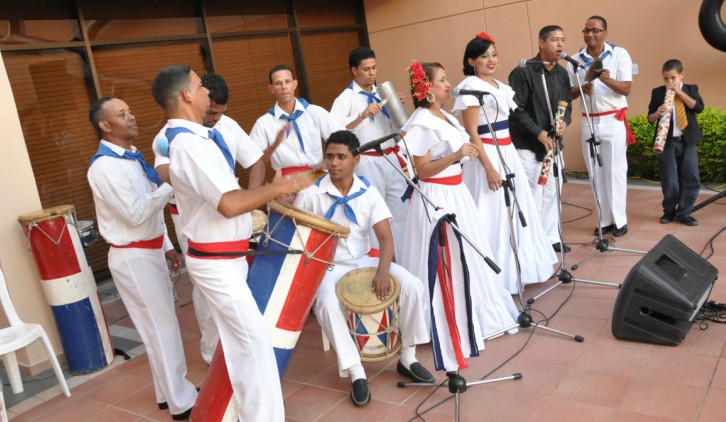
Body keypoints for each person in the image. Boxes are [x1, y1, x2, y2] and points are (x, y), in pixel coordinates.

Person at [150, 65, 312, 421]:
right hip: (216, 261)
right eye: (199, 86)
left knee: (245, 346)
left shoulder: (198, 138)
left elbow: (238, 187)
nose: (207, 91)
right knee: (254, 346)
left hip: (227, 257)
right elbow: (228, 204)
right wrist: (279, 187)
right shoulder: (189, 145)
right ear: (186, 96)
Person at [294, 130, 434, 407]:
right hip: (328, 266)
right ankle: (356, 371)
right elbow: (298, 237)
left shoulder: (367, 192)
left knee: (413, 285)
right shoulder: (311, 194)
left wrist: (383, 271)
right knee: (325, 303)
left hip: (363, 260)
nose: (334, 162)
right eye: (330, 156)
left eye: (341, 157)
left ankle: (408, 356)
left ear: (356, 160)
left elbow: (384, 237)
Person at [399, 61, 519, 372]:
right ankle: (439, 318)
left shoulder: (445, 117)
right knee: (448, 257)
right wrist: (455, 156)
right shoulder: (422, 122)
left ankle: (476, 313)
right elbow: (421, 169)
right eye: (441, 80)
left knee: (471, 251)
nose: (448, 84)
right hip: (437, 196)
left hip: (457, 191)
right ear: (427, 89)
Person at [87, 96, 197, 420]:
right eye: (122, 114)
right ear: (105, 126)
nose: (131, 117)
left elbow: (150, 206)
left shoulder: (132, 157)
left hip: (148, 250)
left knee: (158, 328)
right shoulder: (105, 167)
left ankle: (167, 394)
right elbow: (136, 213)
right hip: (132, 256)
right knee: (162, 328)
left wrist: (167, 246)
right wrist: (170, 183)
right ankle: (182, 402)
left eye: (130, 110)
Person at [151, 73, 266, 365]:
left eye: (221, 113)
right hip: (196, 220)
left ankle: (235, 353)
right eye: (212, 111)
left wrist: (250, 201)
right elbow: (164, 173)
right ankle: (213, 353)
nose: (215, 118)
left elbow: (255, 161)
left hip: (232, 215)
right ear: (199, 100)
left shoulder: (225, 125)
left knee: (235, 287)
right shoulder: (175, 139)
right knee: (208, 289)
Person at [453, 32, 557, 295]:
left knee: (519, 207)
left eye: (493, 54)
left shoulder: (500, 86)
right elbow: (472, 133)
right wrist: (489, 167)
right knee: (493, 213)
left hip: (507, 150)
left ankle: (524, 269)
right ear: (471, 60)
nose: (491, 60)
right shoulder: (470, 88)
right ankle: (497, 277)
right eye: (484, 56)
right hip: (486, 155)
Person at [330, 47, 409, 261]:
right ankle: (378, 265)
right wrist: (361, 115)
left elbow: (399, 125)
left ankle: (405, 262)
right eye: (366, 69)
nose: (372, 73)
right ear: (354, 70)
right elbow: (334, 133)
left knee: (401, 211)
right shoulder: (345, 99)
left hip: (391, 156)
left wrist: (396, 106)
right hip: (367, 159)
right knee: (373, 214)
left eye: (374, 68)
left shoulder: (382, 92)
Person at [508, 26, 573, 252]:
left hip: (554, 144)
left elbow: (569, 105)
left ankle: (551, 237)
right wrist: (539, 132)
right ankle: (534, 243)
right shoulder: (523, 71)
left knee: (554, 190)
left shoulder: (563, 73)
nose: (560, 45)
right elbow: (517, 110)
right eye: (555, 40)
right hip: (528, 144)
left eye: (563, 40)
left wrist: (565, 122)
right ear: (541, 43)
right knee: (535, 192)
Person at [568, 15, 633, 237]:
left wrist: (606, 80)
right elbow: (568, 93)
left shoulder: (619, 54)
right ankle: (603, 220)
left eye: (595, 30)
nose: (590, 34)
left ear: (605, 32)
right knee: (595, 173)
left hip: (613, 120)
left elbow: (626, 89)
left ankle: (619, 220)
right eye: (586, 30)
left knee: (615, 172)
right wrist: (581, 89)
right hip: (588, 120)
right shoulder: (575, 59)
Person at [250, 64, 344, 175]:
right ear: (271, 88)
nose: (284, 87)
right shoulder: (264, 123)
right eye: (278, 83)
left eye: (287, 81)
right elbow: (253, 159)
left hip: (318, 176)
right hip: (287, 183)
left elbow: (344, 140)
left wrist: (326, 163)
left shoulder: (315, 112)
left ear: (295, 84)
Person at [647, 59, 704, 226]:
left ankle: (685, 213)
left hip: (687, 140)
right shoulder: (658, 92)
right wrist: (657, 113)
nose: (669, 82)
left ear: (682, 75)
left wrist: (679, 93)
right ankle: (669, 211)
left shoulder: (691, 89)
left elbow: (698, 108)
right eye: (666, 79)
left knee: (691, 177)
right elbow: (650, 118)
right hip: (666, 142)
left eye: (673, 78)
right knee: (670, 179)